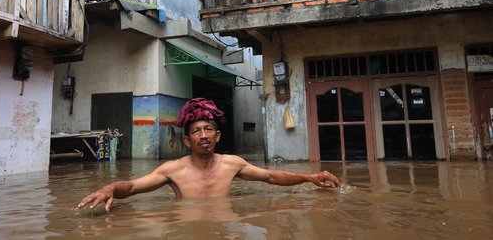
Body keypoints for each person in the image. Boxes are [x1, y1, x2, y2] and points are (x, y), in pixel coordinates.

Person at [78, 98, 340, 213]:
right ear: (186, 140)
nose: (203, 135)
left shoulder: (232, 164)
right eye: (196, 131)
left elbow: (271, 177)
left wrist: (308, 177)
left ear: (217, 136)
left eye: (208, 129)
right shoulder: (173, 170)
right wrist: (110, 187)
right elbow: (133, 186)